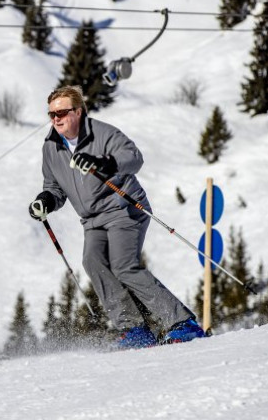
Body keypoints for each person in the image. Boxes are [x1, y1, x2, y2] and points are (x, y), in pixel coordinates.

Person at [28, 85, 205, 349]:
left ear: (78, 111)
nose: (56, 119)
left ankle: (183, 324)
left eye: (62, 112)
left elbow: (134, 157)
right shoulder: (51, 148)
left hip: (123, 207)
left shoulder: (101, 133)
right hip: (92, 218)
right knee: (92, 261)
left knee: (123, 265)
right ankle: (134, 329)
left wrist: (105, 164)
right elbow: (54, 187)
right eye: (51, 114)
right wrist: (46, 201)